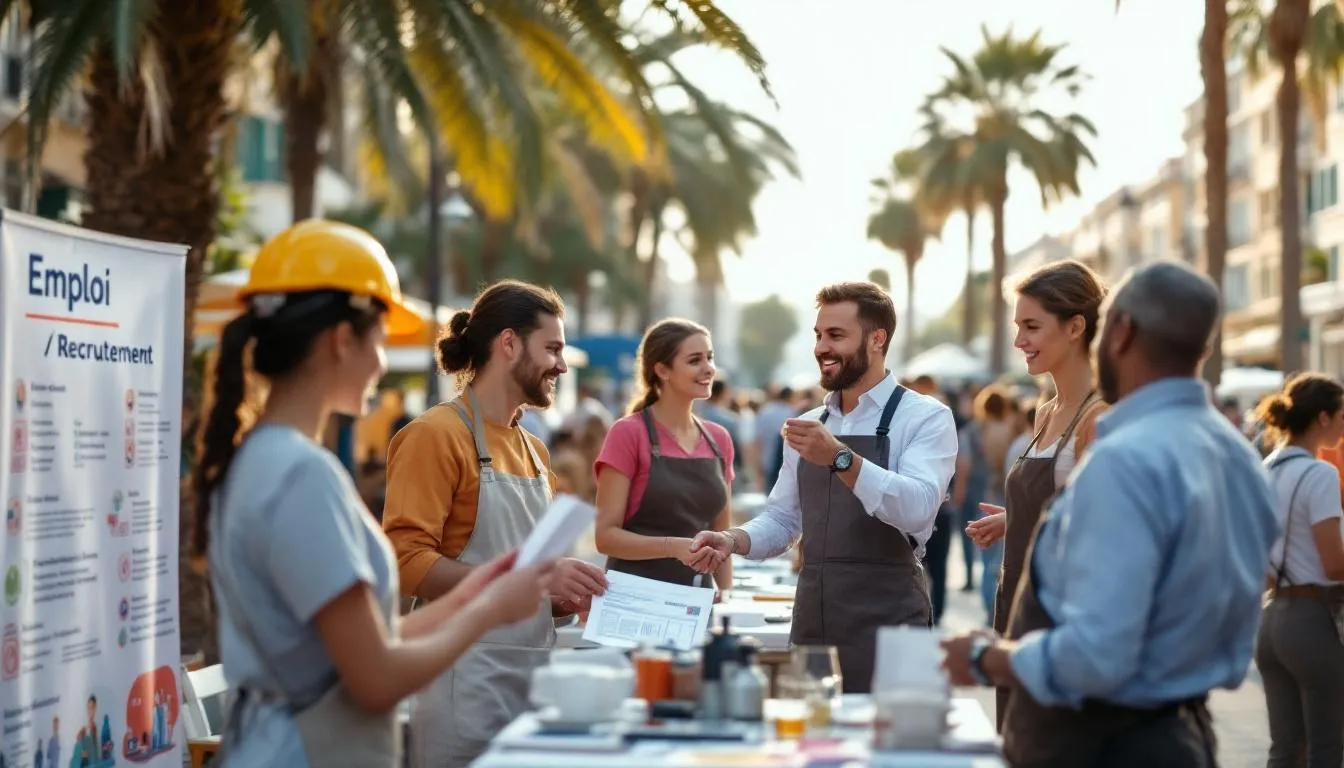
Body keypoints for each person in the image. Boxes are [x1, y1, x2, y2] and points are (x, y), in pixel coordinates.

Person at [194, 221, 555, 768]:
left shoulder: (259, 460)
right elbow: (376, 678)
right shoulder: (301, 474)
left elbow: (371, 642)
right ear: (342, 340)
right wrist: (490, 610)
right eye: (381, 340)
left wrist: (481, 591)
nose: (383, 363)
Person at [941, 260, 1278, 766]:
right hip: (1186, 732)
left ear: (1119, 332)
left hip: (1099, 741)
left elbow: (1095, 657)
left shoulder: (1123, 457)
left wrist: (983, 657)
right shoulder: (1238, 455)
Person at [382, 280, 608, 768]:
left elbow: (527, 577)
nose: (562, 365)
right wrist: (519, 583)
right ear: (508, 344)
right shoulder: (435, 435)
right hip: (462, 686)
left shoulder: (534, 449)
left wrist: (561, 595)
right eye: (552, 349)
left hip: (532, 685)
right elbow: (403, 561)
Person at [691, 281, 958, 693]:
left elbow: (918, 507)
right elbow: (784, 519)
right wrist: (733, 539)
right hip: (814, 623)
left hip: (892, 623)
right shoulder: (811, 423)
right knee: (812, 730)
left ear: (877, 339)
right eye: (818, 335)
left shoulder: (925, 418)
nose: (821, 347)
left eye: (835, 335)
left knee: (889, 735)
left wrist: (840, 457)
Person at [963, 260, 1109, 729]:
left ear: (1075, 327)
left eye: (1031, 326)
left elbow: (1100, 529)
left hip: (1057, 615)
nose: (1019, 340)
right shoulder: (1046, 412)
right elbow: (1065, 502)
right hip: (1015, 602)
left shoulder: (1099, 417)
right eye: (1017, 326)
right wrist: (1016, 517)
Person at [593, 319, 736, 587]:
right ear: (662, 370)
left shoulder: (719, 439)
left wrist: (726, 595)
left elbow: (721, 536)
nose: (708, 368)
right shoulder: (628, 433)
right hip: (634, 598)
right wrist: (672, 547)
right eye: (695, 360)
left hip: (697, 598)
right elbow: (605, 537)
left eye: (709, 357)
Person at [1253, 373, 1344, 767]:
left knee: (1285, 751)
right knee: (1326, 749)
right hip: (1312, 620)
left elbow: (1260, 566)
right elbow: (1334, 563)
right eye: (1342, 416)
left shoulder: (1264, 470)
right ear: (1323, 417)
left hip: (1271, 618)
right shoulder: (1319, 473)